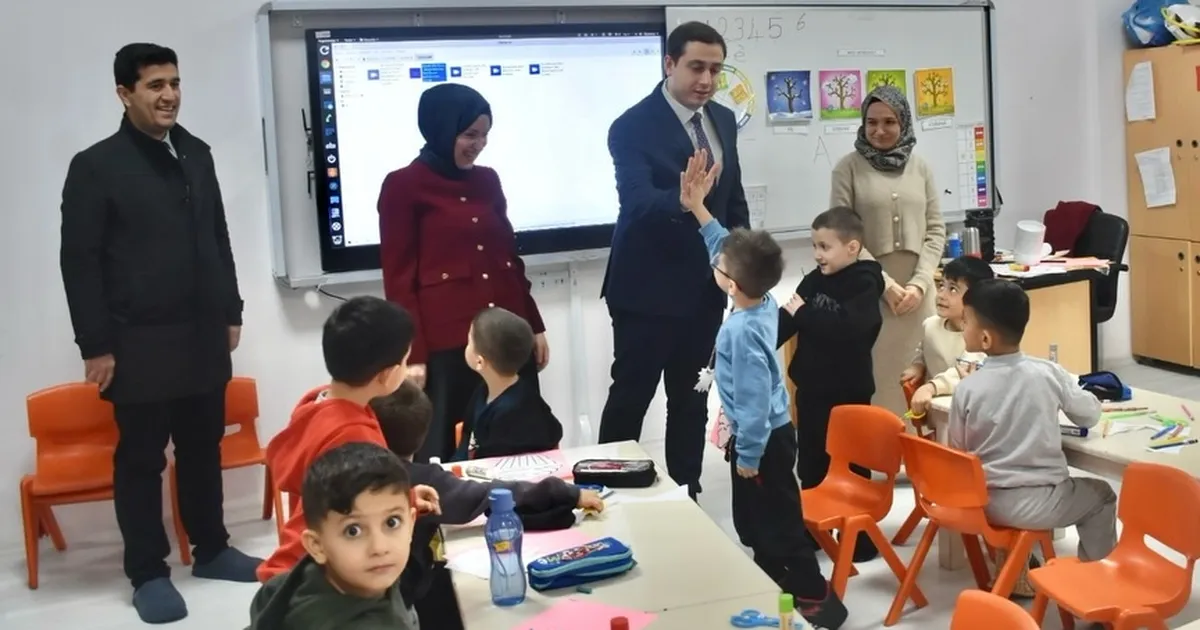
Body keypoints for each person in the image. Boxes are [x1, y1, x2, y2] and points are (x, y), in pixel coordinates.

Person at [58, 42, 257, 624]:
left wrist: (231, 310)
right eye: (154, 85)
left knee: (202, 446)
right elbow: (79, 263)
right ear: (124, 94)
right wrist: (95, 345)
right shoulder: (96, 166)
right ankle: (148, 572)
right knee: (142, 459)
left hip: (202, 332)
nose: (169, 95)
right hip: (136, 340)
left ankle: (212, 549)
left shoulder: (197, 153)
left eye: (174, 83)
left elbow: (218, 238)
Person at [680, 155, 846, 627]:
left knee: (777, 523)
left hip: (763, 442)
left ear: (729, 283)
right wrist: (699, 209)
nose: (716, 260)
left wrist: (749, 454)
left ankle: (816, 601)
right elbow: (725, 248)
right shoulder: (761, 299)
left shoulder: (740, 331)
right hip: (762, 436)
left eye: (720, 265)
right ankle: (772, 586)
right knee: (755, 522)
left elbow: (753, 404)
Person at [599, 21, 750, 499]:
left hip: (705, 290)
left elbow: (733, 198)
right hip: (646, 291)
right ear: (669, 64)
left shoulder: (722, 119)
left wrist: (743, 260)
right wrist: (685, 201)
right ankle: (609, 491)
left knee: (691, 399)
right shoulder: (632, 126)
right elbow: (636, 202)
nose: (706, 80)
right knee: (632, 397)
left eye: (715, 70)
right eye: (696, 67)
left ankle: (687, 491)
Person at [378, 82, 548, 463]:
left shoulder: (488, 180)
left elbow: (509, 258)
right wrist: (413, 353)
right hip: (448, 345)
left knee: (519, 441)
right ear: (441, 129)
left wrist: (533, 325)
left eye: (485, 135)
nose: (479, 144)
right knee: (446, 451)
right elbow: (399, 281)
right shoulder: (402, 186)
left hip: (505, 337)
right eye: (470, 134)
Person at [370, 381, 604, 630]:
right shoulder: (424, 480)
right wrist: (565, 492)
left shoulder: (363, 473)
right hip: (399, 602)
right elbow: (488, 494)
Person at [257, 296, 440, 583]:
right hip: (339, 578)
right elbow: (312, 521)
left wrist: (406, 498)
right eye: (405, 362)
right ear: (388, 375)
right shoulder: (354, 438)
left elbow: (349, 494)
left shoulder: (316, 401)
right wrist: (279, 586)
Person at [948, 280, 1116, 581]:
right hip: (1036, 502)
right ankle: (1095, 582)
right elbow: (1090, 415)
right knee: (1102, 496)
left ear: (985, 339)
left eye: (966, 322)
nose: (962, 328)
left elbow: (958, 452)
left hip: (982, 502)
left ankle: (1031, 568)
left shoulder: (966, 388)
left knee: (1072, 491)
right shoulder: (1047, 372)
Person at [830, 85, 947, 416]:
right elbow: (843, 234)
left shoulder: (920, 168)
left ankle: (921, 449)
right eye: (871, 122)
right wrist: (885, 284)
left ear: (903, 122)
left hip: (918, 297)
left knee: (922, 382)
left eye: (889, 122)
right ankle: (883, 450)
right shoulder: (847, 169)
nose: (879, 130)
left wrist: (920, 284)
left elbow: (935, 229)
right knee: (880, 386)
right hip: (870, 296)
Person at [246, 443, 420, 630]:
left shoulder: (285, 585)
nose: (379, 547)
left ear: (411, 523)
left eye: (392, 522)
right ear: (316, 545)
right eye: (353, 531)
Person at [776, 207, 884, 490]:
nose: (817, 254)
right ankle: (813, 517)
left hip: (848, 395)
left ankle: (855, 520)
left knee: (851, 467)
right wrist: (756, 339)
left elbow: (849, 330)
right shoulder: (814, 280)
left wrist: (804, 314)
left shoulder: (865, 284)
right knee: (811, 467)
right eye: (814, 246)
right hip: (811, 393)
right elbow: (788, 317)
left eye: (824, 247)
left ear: (852, 248)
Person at [454, 307, 563, 461]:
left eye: (469, 342)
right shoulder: (482, 392)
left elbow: (498, 466)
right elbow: (466, 441)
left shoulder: (516, 412)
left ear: (480, 362)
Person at [902, 256, 994, 417]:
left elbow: (964, 369)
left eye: (953, 289)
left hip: (968, 412)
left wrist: (931, 387)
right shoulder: (930, 325)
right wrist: (918, 365)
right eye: (941, 286)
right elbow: (924, 349)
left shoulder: (979, 335)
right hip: (937, 408)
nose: (941, 295)